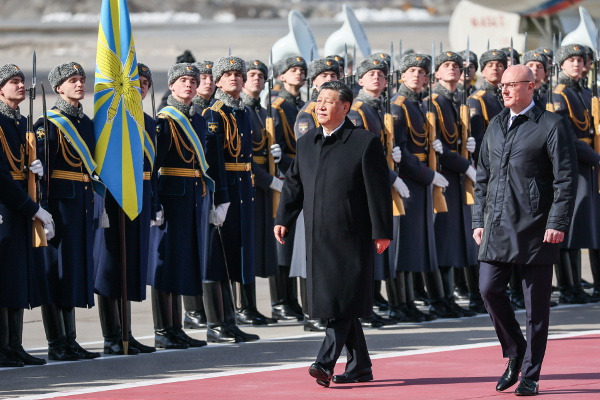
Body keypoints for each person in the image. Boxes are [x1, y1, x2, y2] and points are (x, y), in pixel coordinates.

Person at [274, 80, 392, 387]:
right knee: (340, 300)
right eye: (319, 101)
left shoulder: (363, 141)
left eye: (329, 101)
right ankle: (360, 366)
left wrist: (382, 231)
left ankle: (324, 362)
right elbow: (294, 184)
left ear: (345, 107)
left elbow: (378, 191)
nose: (321, 106)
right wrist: (284, 216)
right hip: (316, 236)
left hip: (352, 234)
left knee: (341, 299)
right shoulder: (307, 142)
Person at [473, 65, 577, 396]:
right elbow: (482, 177)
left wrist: (556, 223)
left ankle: (531, 373)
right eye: (501, 86)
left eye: (511, 85)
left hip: (536, 226)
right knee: (488, 289)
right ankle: (516, 350)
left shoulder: (550, 125)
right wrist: (479, 220)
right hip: (498, 223)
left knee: (536, 308)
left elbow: (565, 179)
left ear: (530, 87)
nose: (503, 91)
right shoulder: (495, 124)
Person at [37, 62, 100, 361]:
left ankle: (71, 340)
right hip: (59, 209)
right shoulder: (46, 124)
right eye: (72, 80)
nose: (79, 84)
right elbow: (42, 174)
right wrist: (44, 211)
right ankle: (56, 342)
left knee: (73, 272)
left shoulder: (86, 123)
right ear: (58, 88)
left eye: (81, 79)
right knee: (56, 274)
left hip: (82, 206)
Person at [93, 63, 157, 355]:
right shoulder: (110, 119)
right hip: (113, 199)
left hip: (140, 198)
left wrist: (155, 204)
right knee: (110, 267)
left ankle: (127, 333)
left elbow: (152, 171)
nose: (141, 86)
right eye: (136, 82)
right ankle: (111, 336)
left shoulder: (148, 121)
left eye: (145, 82)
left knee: (131, 265)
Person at [148, 63, 212, 350]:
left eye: (192, 81)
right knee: (165, 263)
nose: (188, 85)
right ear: (171, 86)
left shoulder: (197, 118)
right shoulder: (165, 120)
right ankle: (163, 328)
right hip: (170, 196)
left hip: (191, 198)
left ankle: (176, 327)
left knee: (182, 262)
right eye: (182, 80)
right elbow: (154, 166)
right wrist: (155, 202)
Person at [348, 57, 410, 326]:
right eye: (370, 74)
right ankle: (362, 308)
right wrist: (392, 175)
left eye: (381, 75)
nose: (376, 78)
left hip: (378, 183)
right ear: (360, 80)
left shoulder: (379, 108)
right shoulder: (357, 110)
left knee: (377, 247)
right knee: (363, 249)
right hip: (365, 186)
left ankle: (372, 303)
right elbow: (360, 155)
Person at [202, 56, 259, 343]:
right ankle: (215, 324)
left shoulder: (243, 111)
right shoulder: (214, 113)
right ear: (219, 81)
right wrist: (219, 199)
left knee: (234, 256)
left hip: (242, 190)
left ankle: (230, 321)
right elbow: (214, 161)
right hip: (225, 191)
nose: (235, 78)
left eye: (239, 74)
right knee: (217, 259)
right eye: (228, 75)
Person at [0, 64, 53, 367]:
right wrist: (33, 208)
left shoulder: (22, 122)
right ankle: (2, 347)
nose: (21, 86)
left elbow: (21, 169)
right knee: (4, 278)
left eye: (22, 81)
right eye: (13, 82)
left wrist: (37, 170)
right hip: (6, 208)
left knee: (18, 277)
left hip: (19, 205)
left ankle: (14, 345)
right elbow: (2, 179)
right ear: (0, 89)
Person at [388, 54, 442, 322]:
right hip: (408, 179)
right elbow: (401, 152)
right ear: (401, 75)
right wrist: (427, 174)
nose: (417, 75)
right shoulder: (399, 106)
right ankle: (399, 303)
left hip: (419, 178)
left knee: (414, 243)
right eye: (412, 71)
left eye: (422, 72)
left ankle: (409, 301)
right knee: (403, 245)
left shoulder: (417, 104)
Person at [428, 51, 479, 316]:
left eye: (457, 67)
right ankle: (440, 299)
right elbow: (435, 146)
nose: (453, 70)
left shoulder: (458, 98)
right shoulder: (433, 101)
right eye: (446, 66)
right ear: (436, 73)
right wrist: (465, 165)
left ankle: (448, 298)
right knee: (443, 241)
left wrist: (467, 148)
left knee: (456, 240)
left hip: (456, 178)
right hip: (443, 177)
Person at [291, 58, 340, 332]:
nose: (329, 78)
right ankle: (311, 312)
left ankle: (326, 309)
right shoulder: (307, 114)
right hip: (312, 192)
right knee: (307, 256)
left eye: (333, 74)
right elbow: (308, 157)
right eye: (324, 75)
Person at [551, 44, 600, 304]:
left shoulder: (585, 91)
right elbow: (567, 135)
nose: (578, 64)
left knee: (591, 226)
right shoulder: (559, 94)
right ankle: (569, 287)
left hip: (590, 164)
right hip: (574, 163)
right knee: (570, 228)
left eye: (581, 60)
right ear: (561, 65)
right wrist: (595, 158)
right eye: (571, 60)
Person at [238, 59, 278, 325]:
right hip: (250, 183)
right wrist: (267, 181)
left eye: (261, 76)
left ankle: (251, 305)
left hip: (263, 185)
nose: (256, 79)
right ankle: (243, 306)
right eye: (251, 75)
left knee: (257, 247)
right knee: (246, 245)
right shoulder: (240, 111)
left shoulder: (263, 112)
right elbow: (243, 155)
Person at [269, 55, 307, 323]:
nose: (298, 74)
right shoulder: (278, 107)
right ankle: (281, 299)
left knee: (296, 243)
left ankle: (292, 299)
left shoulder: (304, 106)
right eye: (292, 70)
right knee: (283, 243)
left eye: (301, 70)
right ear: (281, 76)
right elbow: (280, 146)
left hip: (303, 176)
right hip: (287, 177)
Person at [183, 60, 215, 330]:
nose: (203, 83)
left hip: (201, 189)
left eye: (206, 78)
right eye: (197, 78)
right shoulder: (172, 115)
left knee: (202, 251)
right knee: (186, 253)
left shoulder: (204, 113)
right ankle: (192, 309)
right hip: (181, 192)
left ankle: (205, 308)